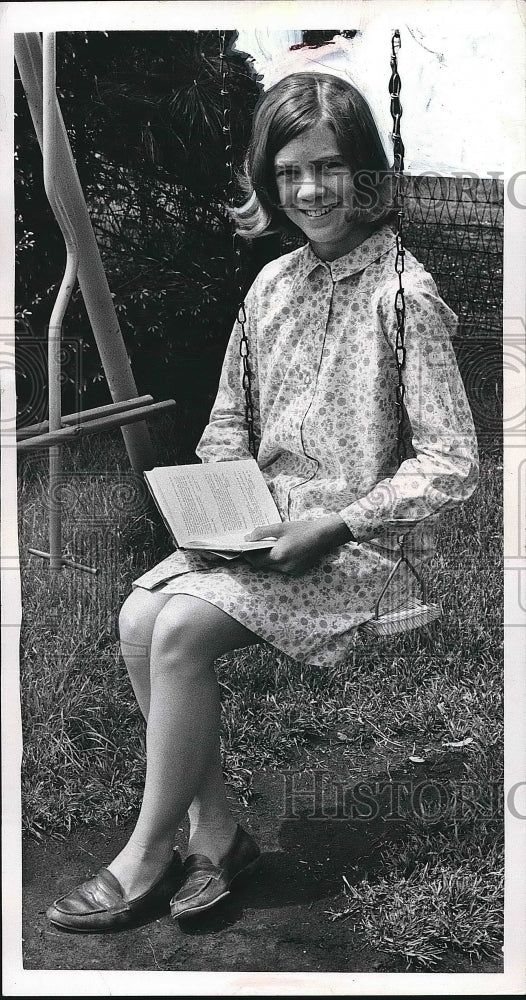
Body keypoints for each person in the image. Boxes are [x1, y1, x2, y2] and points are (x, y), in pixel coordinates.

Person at [46, 71, 478, 932]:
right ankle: (218, 831)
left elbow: (453, 461)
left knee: (176, 631)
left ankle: (147, 852)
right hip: (252, 529)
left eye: (328, 167)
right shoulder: (270, 285)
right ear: (266, 181)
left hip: (352, 546)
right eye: (289, 173)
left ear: (367, 173)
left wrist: (339, 521)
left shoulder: (406, 298)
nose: (310, 190)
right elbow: (226, 423)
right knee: (140, 616)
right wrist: (218, 502)